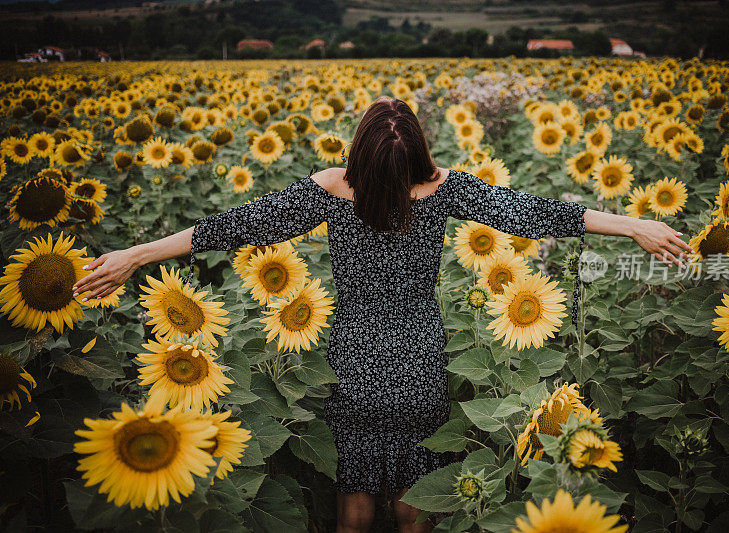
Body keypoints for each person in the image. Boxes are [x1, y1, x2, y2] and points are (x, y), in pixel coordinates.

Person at [71, 96, 692, 533]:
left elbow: (233, 226)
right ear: (418, 151)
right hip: (418, 355)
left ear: (360, 152)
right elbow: (535, 214)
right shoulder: (443, 186)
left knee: (355, 504)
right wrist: (634, 224)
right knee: (414, 499)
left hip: (356, 356)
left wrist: (137, 253)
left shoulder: (335, 186)